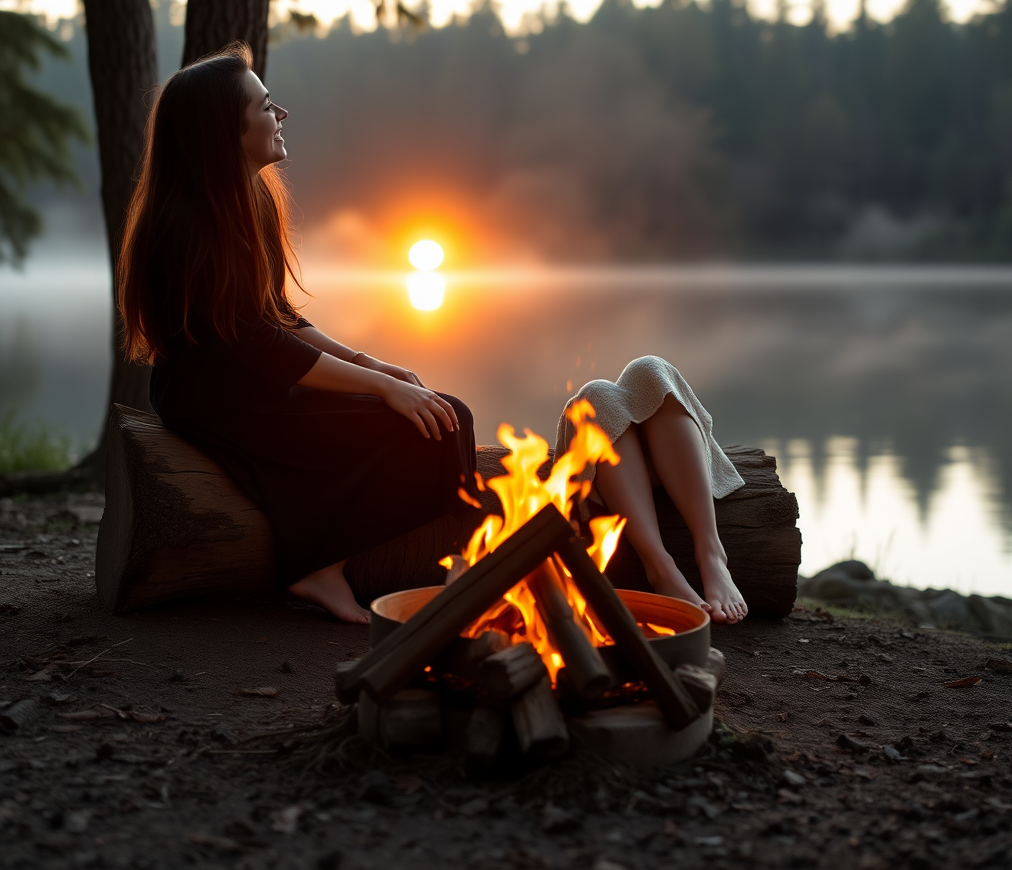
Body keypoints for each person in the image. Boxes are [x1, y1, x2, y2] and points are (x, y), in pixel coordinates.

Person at [117, 43, 478, 625]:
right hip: (216, 401)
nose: (280, 114)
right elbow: (256, 342)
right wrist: (381, 389)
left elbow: (276, 314)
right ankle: (319, 568)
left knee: (443, 412)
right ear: (225, 131)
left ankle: (461, 571)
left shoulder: (250, 199)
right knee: (434, 418)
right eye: (265, 106)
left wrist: (375, 367)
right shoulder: (186, 225)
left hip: (258, 383)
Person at [556, 357, 749, 624]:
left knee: (648, 368)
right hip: (617, 469)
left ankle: (712, 553)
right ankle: (661, 570)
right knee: (595, 394)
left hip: (669, 446)